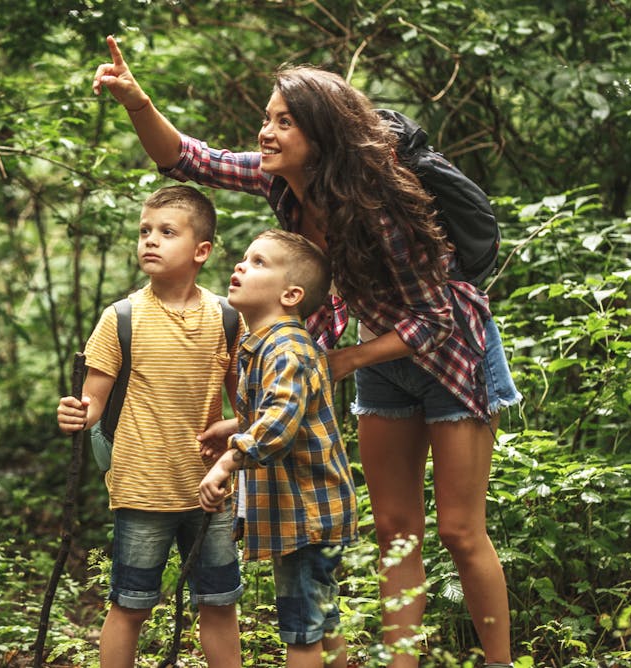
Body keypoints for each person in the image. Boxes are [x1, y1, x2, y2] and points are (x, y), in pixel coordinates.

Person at [92, 36, 523, 668]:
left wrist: (344, 360)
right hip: (382, 360)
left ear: (319, 135)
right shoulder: (283, 186)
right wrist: (137, 102)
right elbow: (191, 159)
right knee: (395, 531)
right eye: (267, 119)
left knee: (460, 530)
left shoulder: (378, 204)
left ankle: (499, 663)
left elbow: (436, 316)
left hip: (454, 356)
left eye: (283, 122)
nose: (266, 132)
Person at [56, 184, 244, 668]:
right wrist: (76, 413)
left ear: (201, 250)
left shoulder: (227, 317)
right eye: (144, 232)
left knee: (220, 603)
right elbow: (93, 403)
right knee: (130, 606)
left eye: (166, 232)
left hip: (211, 490)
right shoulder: (121, 317)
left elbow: (249, 404)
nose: (150, 241)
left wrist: (233, 433)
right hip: (142, 487)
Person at [199, 229, 357, 668]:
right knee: (320, 622)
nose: (240, 266)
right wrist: (233, 427)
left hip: (307, 513)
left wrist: (229, 460)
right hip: (304, 513)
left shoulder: (286, 348)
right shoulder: (267, 345)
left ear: (291, 294)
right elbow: (283, 411)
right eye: (244, 258)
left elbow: (276, 429)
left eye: (258, 262)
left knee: (301, 630)